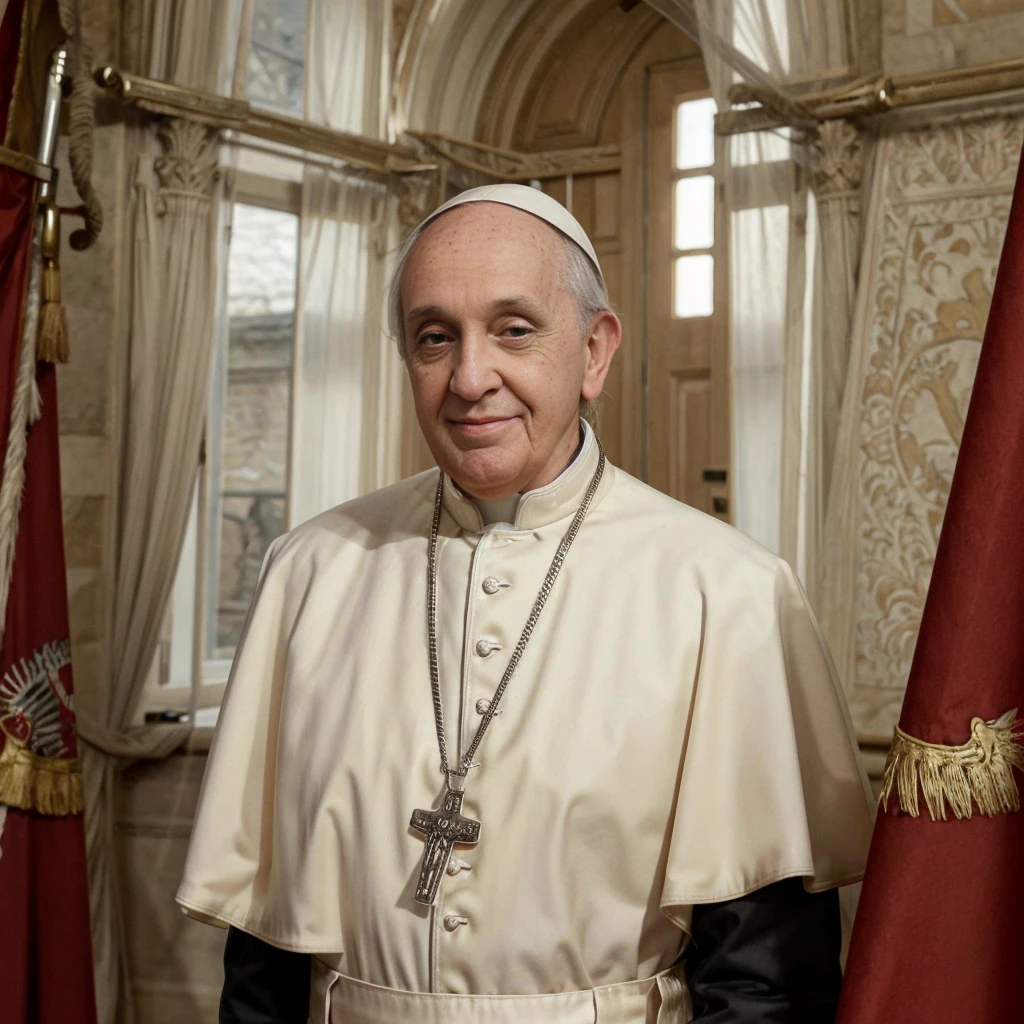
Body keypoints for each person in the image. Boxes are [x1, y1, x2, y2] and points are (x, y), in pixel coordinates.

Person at [178, 184, 875, 1024]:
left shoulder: (727, 593)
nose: (471, 379)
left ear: (593, 352)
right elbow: (262, 971)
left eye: (513, 329)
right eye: (435, 338)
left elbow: (765, 988)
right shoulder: (309, 574)